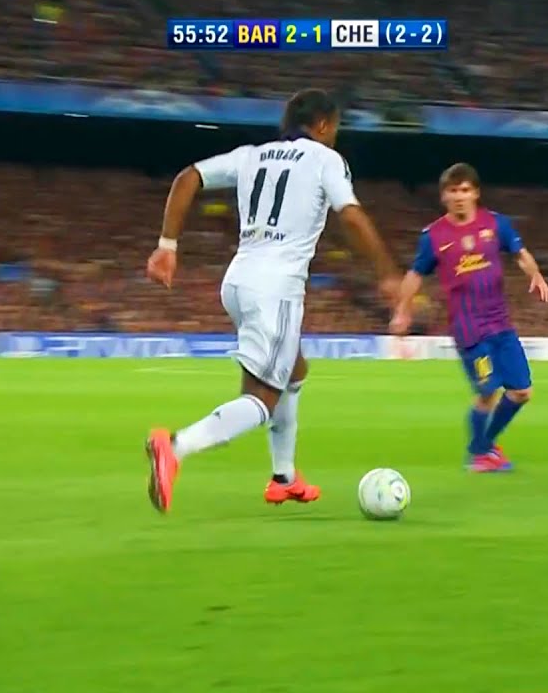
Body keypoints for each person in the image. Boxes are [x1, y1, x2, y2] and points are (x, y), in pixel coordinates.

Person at [143, 88, 401, 514]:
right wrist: (387, 272)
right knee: (262, 398)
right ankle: (176, 446)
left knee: (294, 370)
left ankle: (284, 478)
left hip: (238, 280)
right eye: (335, 128)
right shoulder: (325, 159)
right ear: (323, 125)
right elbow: (351, 216)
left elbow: (187, 177)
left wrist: (167, 246)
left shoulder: (251, 156)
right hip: (276, 287)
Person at [389, 163, 548, 472]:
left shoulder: (496, 224)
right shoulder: (434, 236)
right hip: (470, 332)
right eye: (453, 191)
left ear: (476, 193)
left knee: (522, 392)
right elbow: (415, 275)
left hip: (501, 326)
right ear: (444, 196)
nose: (459, 196)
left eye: (465, 190)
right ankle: (479, 455)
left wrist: (536, 275)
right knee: (488, 392)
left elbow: (520, 253)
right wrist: (402, 310)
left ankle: (485, 446)